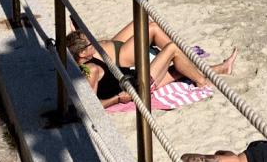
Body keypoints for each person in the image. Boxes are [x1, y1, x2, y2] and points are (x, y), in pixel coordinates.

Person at [66, 25, 236, 109]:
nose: (93, 42)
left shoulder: (86, 62)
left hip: (134, 78)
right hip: (138, 85)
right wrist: (118, 99)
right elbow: (91, 106)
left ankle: (221, 69)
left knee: (179, 70)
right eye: (89, 43)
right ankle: (201, 82)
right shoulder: (91, 71)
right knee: (172, 49)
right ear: (81, 53)